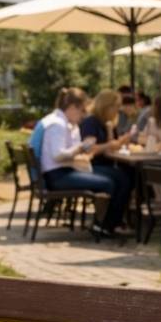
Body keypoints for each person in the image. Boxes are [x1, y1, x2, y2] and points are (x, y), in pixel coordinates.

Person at [40, 88, 130, 238]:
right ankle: (102, 224)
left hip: (64, 170)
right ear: (72, 107)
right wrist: (81, 148)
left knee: (120, 177)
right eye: (82, 111)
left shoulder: (64, 123)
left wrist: (81, 151)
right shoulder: (58, 125)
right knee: (109, 182)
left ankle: (106, 224)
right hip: (58, 176)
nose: (83, 116)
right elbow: (58, 155)